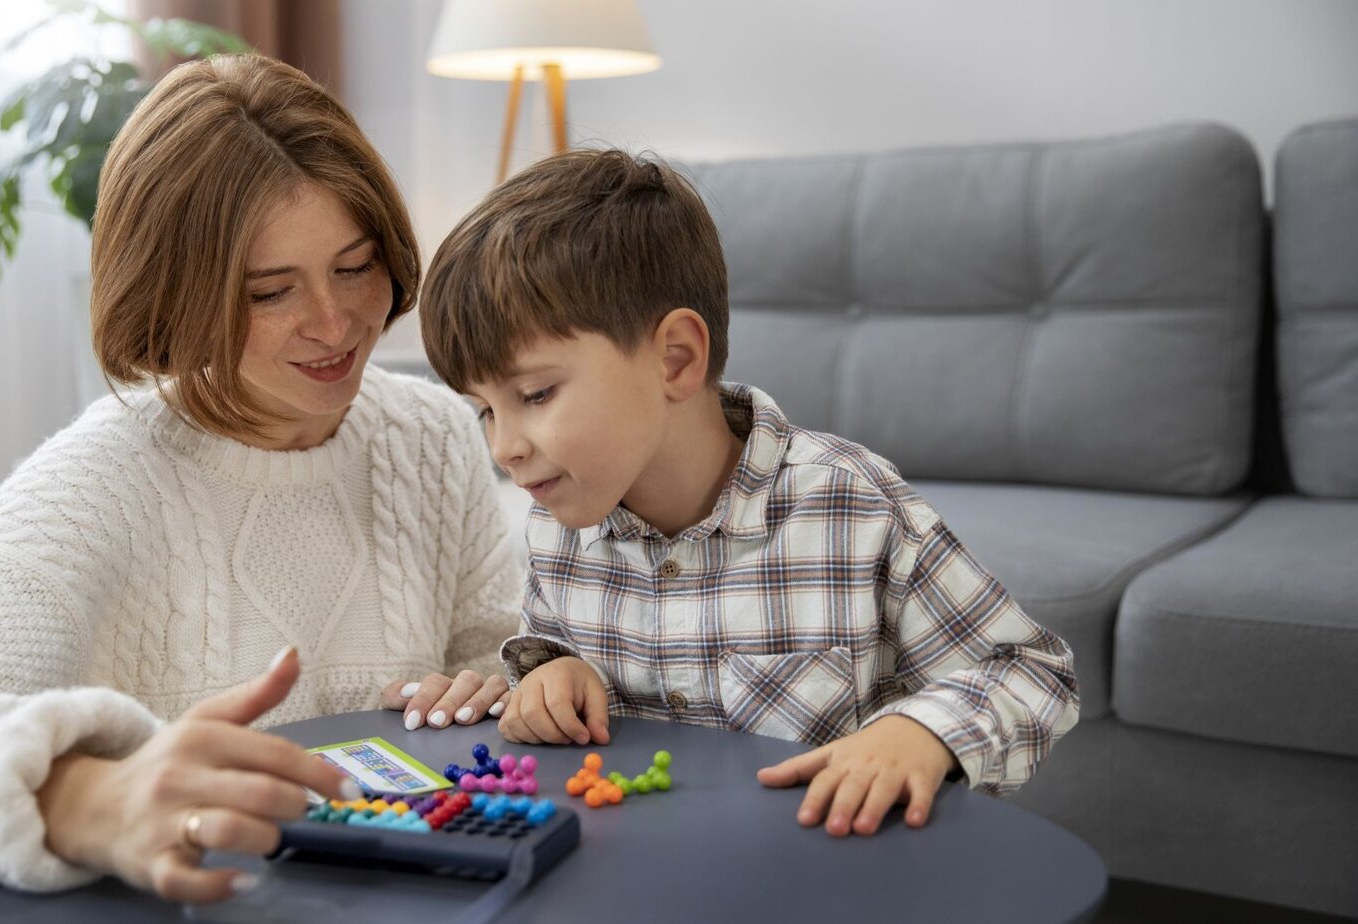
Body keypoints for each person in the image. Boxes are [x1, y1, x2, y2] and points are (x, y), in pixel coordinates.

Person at [0, 55, 520, 907]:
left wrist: (488, 681)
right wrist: (89, 799)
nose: (335, 321)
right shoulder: (99, 482)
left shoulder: (433, 434)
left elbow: (490, 642)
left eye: (354, 267)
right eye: (271, 292)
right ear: (176, 300)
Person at [418, 148, 1080, 839]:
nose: (504, 447)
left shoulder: (852, 508)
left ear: (675, 359)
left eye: (534, 395)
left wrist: (921, 735)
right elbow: (551, 653)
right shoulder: (559, 524)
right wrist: (550, 679)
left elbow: (1031, 674)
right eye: (485, 410)